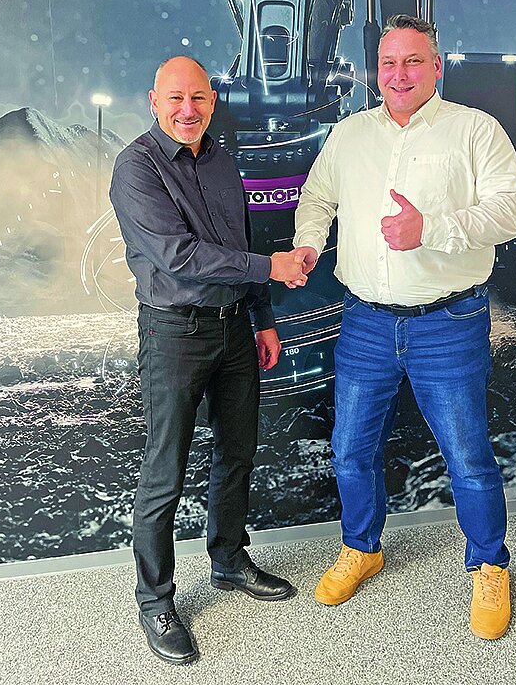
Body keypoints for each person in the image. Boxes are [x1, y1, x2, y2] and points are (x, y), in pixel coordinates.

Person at [290, 14, 516, 640]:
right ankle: (361, 548)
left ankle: (489, 565)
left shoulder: (475, 130)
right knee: (351, 449)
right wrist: (309, 242)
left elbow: (512, 212)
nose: (399, 74)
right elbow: (317, 197)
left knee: (468, 458)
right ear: (376, 71)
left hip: (448, 322)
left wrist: (433, 228)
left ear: (437, 67)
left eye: (413, 61)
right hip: (365, 322)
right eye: (389, 63)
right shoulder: (350, 135)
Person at [110, 56, 309, 665]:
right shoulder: (135, 168)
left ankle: (227, 560)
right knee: (165, 470)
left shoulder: (222, 161)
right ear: (154, 101)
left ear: (213, 101)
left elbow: (238, 243)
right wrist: (270, 269)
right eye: (175, 98)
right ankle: (155, 600)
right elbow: (179, 256)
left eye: (198, 97)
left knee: (237, 452)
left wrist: (263, 317)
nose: (187, 109)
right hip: (174, 333)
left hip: (234, 330)